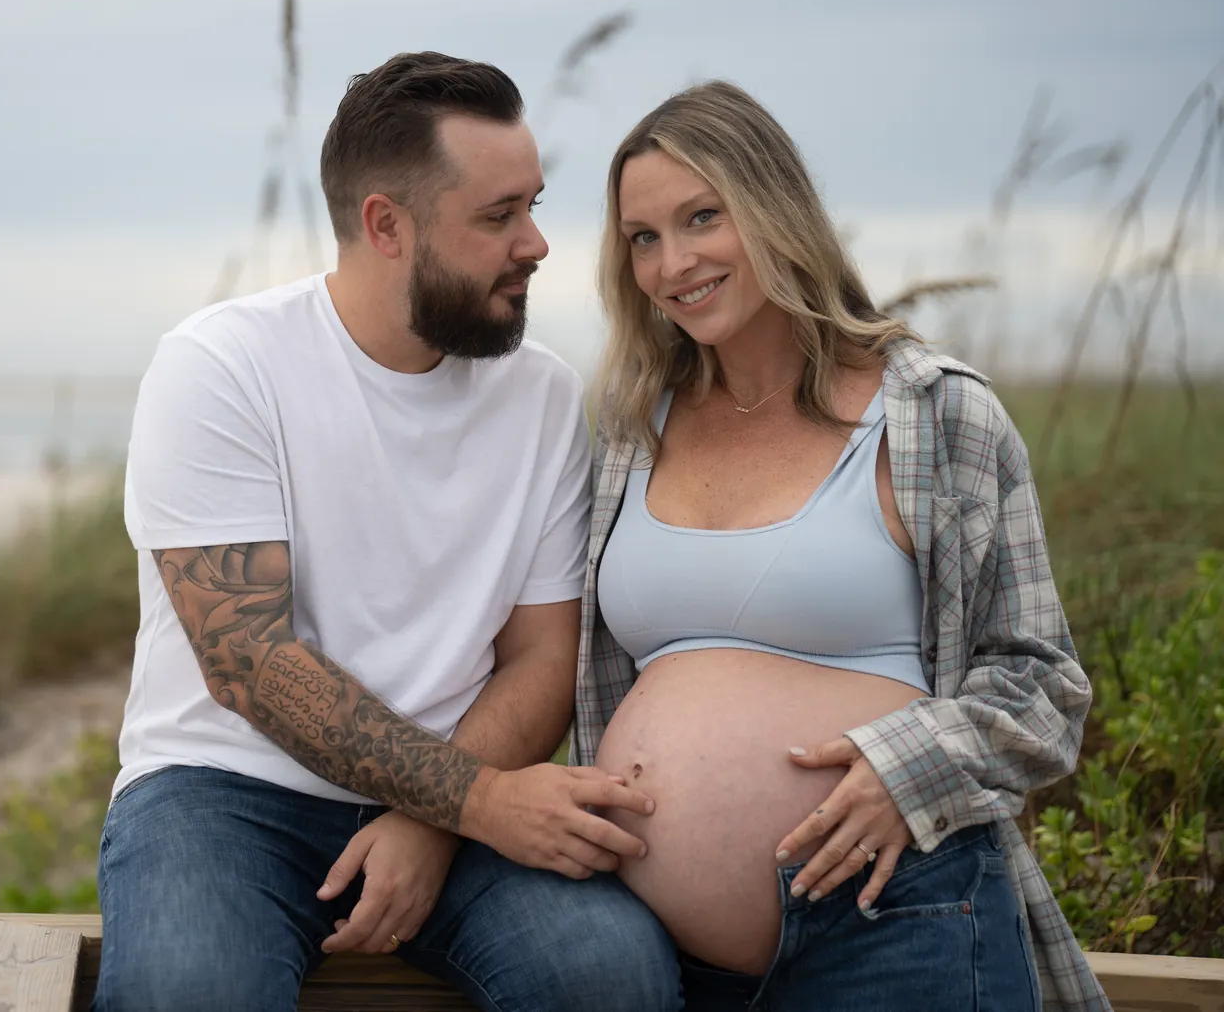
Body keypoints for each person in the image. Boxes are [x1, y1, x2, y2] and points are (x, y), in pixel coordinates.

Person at [93, 51, 682, 1012]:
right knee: (188, 993)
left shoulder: (542, 397)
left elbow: (542, 659)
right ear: (386, 226)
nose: (535, 244)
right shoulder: (222, 367)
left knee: (609, 976)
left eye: (534, 205)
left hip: (460, 795)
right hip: (224, 793)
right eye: (499, 217)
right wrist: (475, 803)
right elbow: (247, 661)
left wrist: (440, 820)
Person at [569, 80, 1111, 1012]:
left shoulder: (937, 414)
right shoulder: (629, 433)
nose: (674, 263)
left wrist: (909, 770)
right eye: (643, 238)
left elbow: (1043, 684)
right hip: (667, 956)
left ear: (775, 213)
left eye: (704, 218)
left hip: (894, 919)